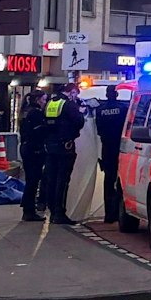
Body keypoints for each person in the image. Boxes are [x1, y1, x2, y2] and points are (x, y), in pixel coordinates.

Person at [41, 84, 87, 225]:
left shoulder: (51, 103)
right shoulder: (68, 105)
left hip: (51, 146)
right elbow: (79, 122)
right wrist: (81, 111)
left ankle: (53, 211)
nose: (75, 96)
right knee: (62, 180)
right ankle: (60, 213)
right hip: (65, 146)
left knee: (52, 179)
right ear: (70, 92)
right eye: (75, 93)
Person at [94, 86, 129, 224]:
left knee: (108, 181)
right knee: (121, 181)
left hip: (107, 148)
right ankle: (120, 211)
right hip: (121, 148)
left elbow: (98, 129)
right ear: (116, 94)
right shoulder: (123, 109)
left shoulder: (100, 110)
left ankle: (109, 214)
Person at [18, 89, 51, 224]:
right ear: (38, 100)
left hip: (26, 148)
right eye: (43, 100)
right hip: (34, 149)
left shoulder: (25, 112)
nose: (45, 103)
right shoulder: (36, 113)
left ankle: (27, 208)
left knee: (31, 180)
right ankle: (29, 210)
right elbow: (40, 131)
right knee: (33, 180)